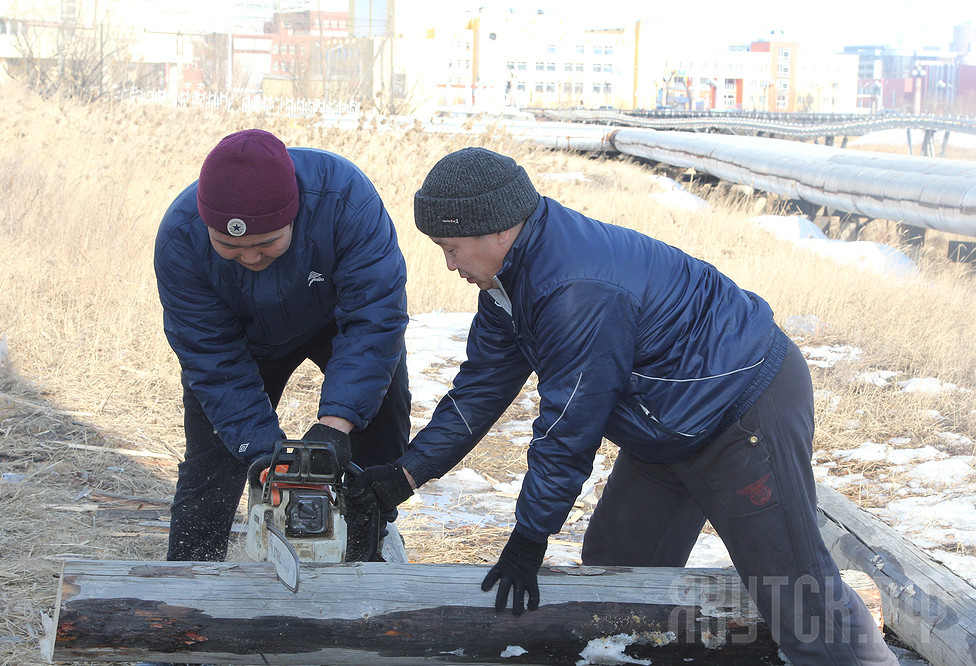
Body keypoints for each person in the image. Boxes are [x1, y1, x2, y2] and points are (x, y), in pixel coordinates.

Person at [348, 147, 898, 665]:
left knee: (793, 589)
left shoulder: (574, 288)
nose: (448, 265)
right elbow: (477, 392)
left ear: (497, 229)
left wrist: (529, 536)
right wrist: (405, 474)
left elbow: (569, 423)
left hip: (742, 409)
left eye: (451, 248)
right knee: (619, 561)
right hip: (666, 421)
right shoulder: (508, 283)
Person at [154, 128, 410, 564]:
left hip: (334, 321)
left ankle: (369, 543)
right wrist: (261, 455)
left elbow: (374, 319)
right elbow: (213, 360)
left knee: (378, 431)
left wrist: (335, 426)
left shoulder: (344, 199)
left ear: (294, 214)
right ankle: (190, 582)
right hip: (243, 337)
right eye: (230, 248)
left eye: (265, 243)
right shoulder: (181, 239)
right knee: (213, 463)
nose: (251, 258)